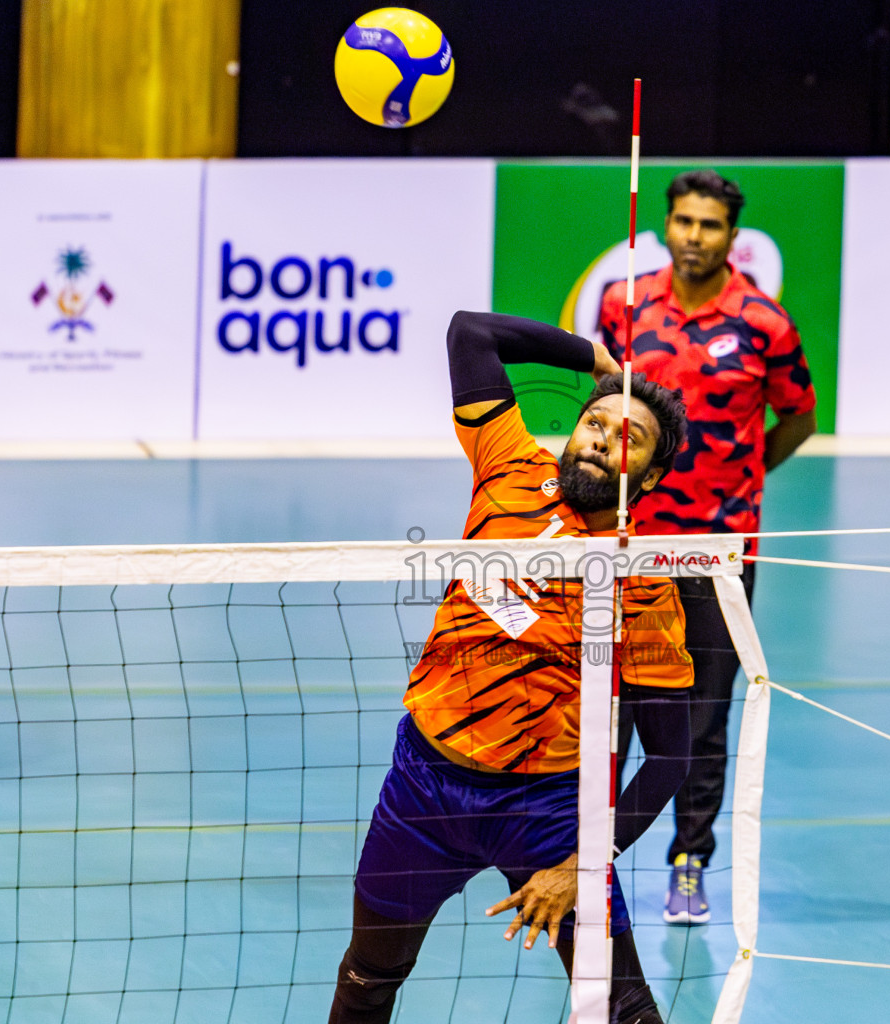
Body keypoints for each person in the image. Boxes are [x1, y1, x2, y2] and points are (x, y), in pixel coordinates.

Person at [329, 310, 693, 1024]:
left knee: (625, 1005)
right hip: (425, 789)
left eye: (632, 439)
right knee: (369, 979)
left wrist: (582, 864)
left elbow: (672, 758)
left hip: (551, 809)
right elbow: (470, 333)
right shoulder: (508, 465)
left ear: (648, 478)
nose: (604, 439)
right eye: (597, 423)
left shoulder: (644, 582)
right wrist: (594, 357)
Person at [598, 169, 815, 925]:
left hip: (718, 554)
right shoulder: (623, 306)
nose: (694, 235)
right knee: (610, 707)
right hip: (627, 550)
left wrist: (741, 487)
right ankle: (592, 858)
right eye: (683, 221)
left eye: (710, 224)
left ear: (732, 236)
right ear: (665, 225)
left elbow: (798, 417)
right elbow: (603, 405)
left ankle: (689, 863)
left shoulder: (765, 323)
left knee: (702, 714)